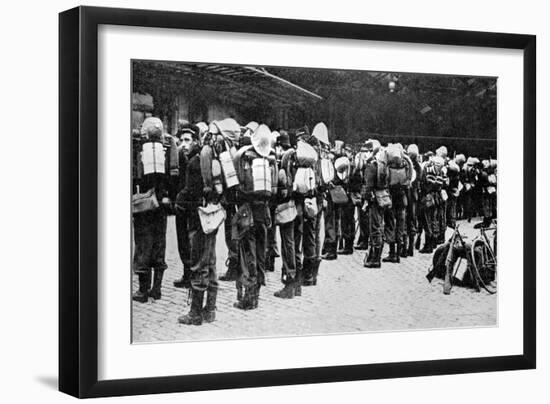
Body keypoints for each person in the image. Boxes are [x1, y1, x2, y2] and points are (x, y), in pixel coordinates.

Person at [132, 117, 179, 303]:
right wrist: (168, 197)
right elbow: (175, 176)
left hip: (143, 204)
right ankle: (156, 289)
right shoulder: (169, 145)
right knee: (159, 244)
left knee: (143, 244)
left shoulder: (137, 145)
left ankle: (143, 291)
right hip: (161, 204)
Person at [233, 124, 278, 309]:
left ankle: (249, 298)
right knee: (261, 253)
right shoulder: (271, 160)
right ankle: (256, 294)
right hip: (264, 212)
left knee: (248, 253)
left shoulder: (246, 158)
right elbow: (273, 190)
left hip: (249, 211)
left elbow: (240, 187)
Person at [273, 131, 299, 298]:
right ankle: (297, 285)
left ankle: (289, 282)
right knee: (295, 243)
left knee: (287, 244)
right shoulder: (296, 157)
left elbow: (283, 188)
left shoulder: (284, 160)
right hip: (298, 206)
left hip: (286, 208)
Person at [381, 143, 413, 263]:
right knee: (401, 225)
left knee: (390, 225)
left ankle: (392, 253)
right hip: (402, 198)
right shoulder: (406, 164)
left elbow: (383, 178)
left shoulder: (388, 165)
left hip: (391, 198)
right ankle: (400, 251)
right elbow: (410, 178)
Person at [363, 139, 387, 269]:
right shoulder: (383, 165)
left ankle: (375, 258)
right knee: (380, 226)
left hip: (373, 200)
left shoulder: (372, 165)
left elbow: (368, 186)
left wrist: (365, 199)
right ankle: (376, 255)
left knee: (375, 228)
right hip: (382, 198)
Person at [403, 144, 421, 257]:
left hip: (406, 195)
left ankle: (404, 248)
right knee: (412, 221)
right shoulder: (419, 167)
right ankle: (411, 248)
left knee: (404, 221)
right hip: (414, 197)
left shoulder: (406, 164)